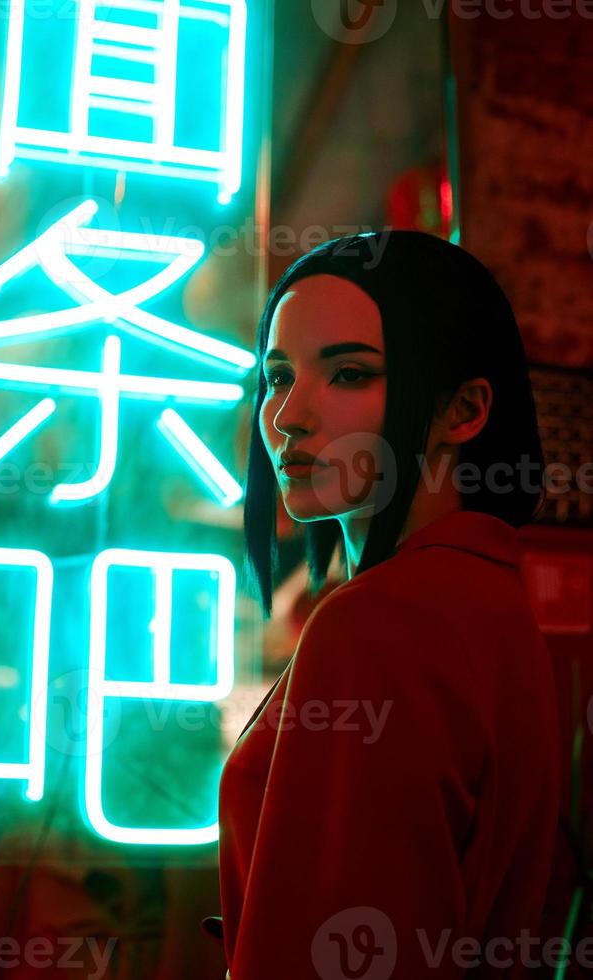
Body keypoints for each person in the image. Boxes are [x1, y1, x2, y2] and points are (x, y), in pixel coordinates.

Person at [201, 231, 561, 979]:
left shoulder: (379, 623)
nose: (287, 416)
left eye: (349, 373)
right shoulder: (492, 602)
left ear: (463, 409)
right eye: (276, 376)